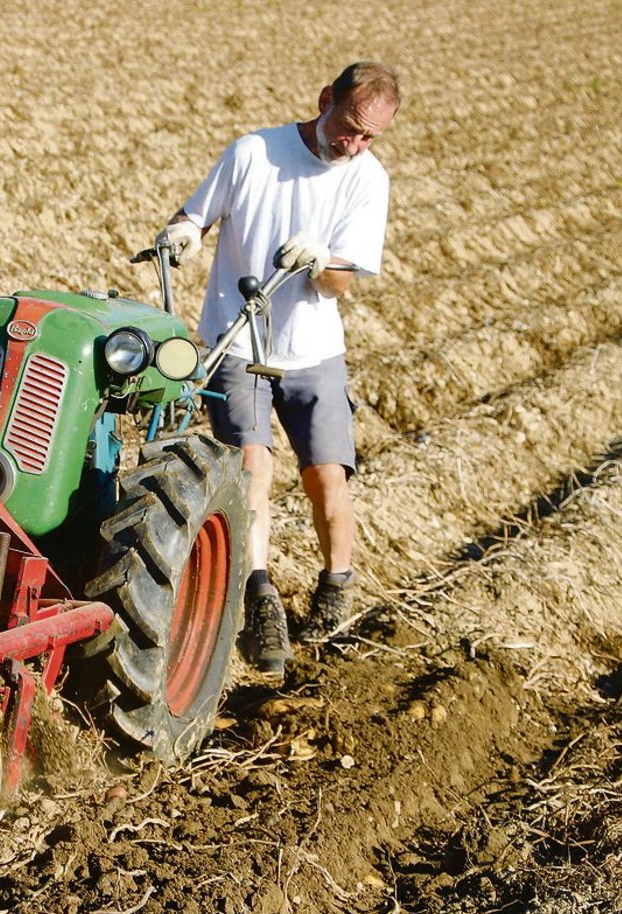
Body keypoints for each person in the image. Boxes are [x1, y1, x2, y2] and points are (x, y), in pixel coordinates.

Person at [155, 62, 400, 678]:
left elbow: (339, 281)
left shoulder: (367, 180)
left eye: (369, 136)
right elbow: (196, 214)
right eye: (348, 127)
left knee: (326, 480)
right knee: (251, 470)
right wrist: (182, 233)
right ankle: (260, 597)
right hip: (238, 342)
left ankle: (335, 589)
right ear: (325, 101)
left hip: (313, 350)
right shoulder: (254, 153)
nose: (353, 144)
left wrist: (320, 260)